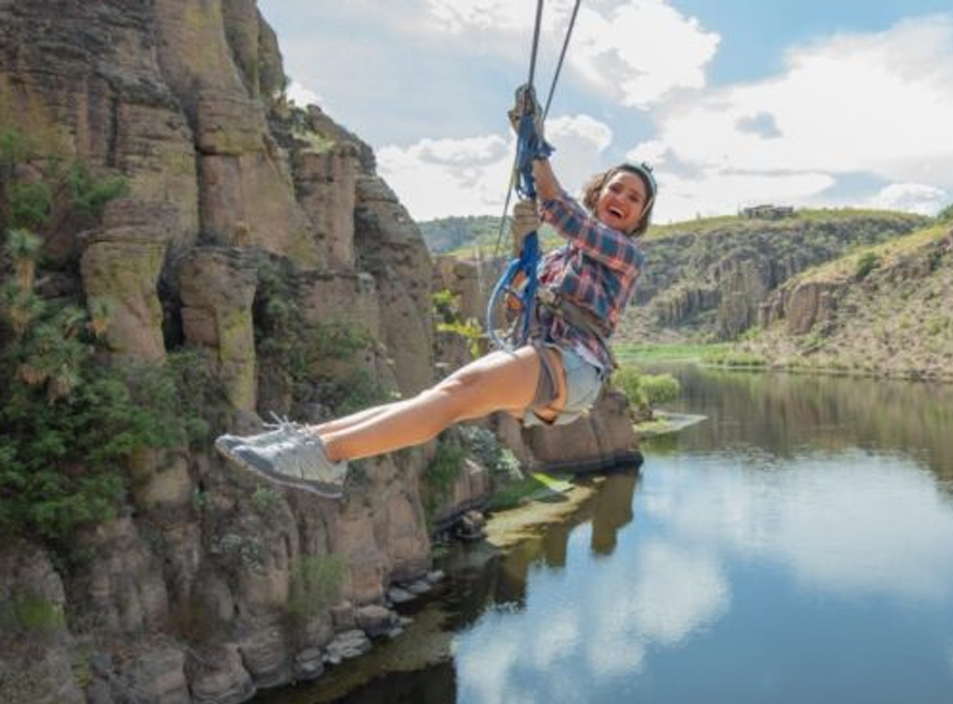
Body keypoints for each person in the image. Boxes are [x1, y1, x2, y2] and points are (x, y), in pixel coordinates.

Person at [215, 148, 654, 500]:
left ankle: (325, 455)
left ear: (638, 218)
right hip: (549, 362)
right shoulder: (561, 259)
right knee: (438, 398)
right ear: (600, 193)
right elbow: (517, 307)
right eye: (617, 189)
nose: (622, 200)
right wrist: (526, 254)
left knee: (456, 394)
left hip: (575, 366)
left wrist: (535, 149)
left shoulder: (627, 255)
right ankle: (306, 442)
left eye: (634, 199)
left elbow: (565, 213)